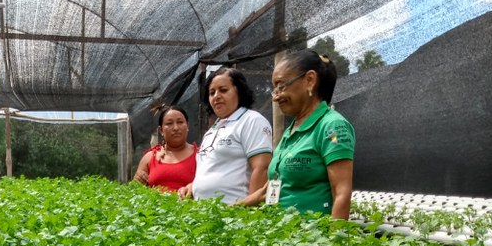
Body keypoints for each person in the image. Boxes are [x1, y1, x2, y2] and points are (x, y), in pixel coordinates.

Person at [240, 50, 355, 219]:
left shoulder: (332, 127)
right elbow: (273, 189)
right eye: (274, 88)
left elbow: (342, 193)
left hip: (311, 239)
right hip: (279, 236)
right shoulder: (290, 131)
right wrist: (235, 207)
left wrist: (334, 242)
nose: (275, 96)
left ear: (309, 80)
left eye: (281, 85)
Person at [178, 67, 273, 204]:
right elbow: (212, 169)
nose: (216, 96)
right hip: (206, 214)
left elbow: (262, 168)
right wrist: (192, 187)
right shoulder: (212, 130)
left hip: (236, 214)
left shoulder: (251, 120)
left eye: (223, 90)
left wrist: (252, 212)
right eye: (212, 92)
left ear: (239, 92)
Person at [132, 106, 197, 192]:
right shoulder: (149, 157)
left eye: (180, 122)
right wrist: (137, 180)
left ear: (187, 126)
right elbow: (135, 191)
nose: (176, 128)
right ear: (161, 130)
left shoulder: (200, 156)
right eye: (169, 123)